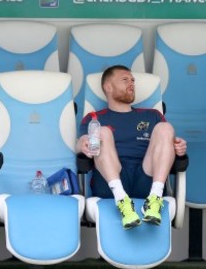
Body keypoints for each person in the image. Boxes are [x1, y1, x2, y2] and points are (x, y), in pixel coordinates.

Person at [77, 65, 187, 229]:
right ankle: (122, 200)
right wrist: (83, 144)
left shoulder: (152, 115)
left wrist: (178, 147)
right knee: (102, 132)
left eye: (133, 80)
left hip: (147, 179)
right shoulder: (94, 118)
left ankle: (154, 200)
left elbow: (167, 142)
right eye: (125, 80)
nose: (131, 83)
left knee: (166, 128)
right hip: (111, 181)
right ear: (108, 87)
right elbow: (80, 143)